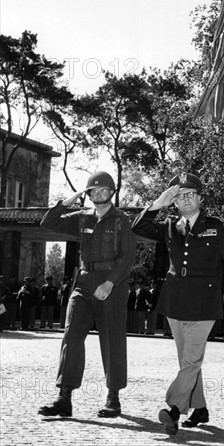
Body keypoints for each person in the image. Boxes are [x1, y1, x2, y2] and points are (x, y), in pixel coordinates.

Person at [132, 172, 224, 435]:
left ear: (200, 198)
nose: (186, 200)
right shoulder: (168, 226)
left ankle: (173, 409)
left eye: (190, 194)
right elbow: (138, 228)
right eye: (180, 196)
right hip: (175, 300)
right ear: (174, 201)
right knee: (188, 362)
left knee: (191, 361)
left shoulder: (215, 226)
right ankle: (199, 408)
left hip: (204, 302)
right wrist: (157, 203)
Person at [38, 171, 136, 418]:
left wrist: (110, 283)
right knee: (71, 336)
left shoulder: (121, 220)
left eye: (103, 190)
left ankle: (113, 398)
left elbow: (127, 258)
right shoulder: (82, 218)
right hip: (82, 283)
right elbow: (47, 223)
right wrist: (67, 201)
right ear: (88, 194)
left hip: (110, 285)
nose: (98, 194)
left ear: (112, 193)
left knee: (112, 340)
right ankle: (64, 397)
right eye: (93, 191)